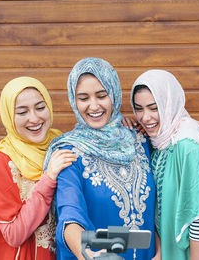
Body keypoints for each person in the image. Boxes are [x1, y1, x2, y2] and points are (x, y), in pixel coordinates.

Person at [43, 57, 159, 260]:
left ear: (113, 94)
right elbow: (69, 215)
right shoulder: (69, 152)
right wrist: (89, 253)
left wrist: (158, 250)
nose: (93, 106)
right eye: (83, 98)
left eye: (101, 95)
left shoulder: (140, 141)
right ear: (73, 100)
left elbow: (154, 213)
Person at [130, 70, 199, 260]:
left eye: (154, 108)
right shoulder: (158, 143)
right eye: (139, 109)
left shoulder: (189, 146)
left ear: (169, 104)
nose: (145, 117)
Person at [0, 76, 77, 260]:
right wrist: (48, 180)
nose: (34, 118)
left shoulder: (61, 144)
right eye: (22, 112)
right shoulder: (1, 163)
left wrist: (128, 127)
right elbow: (13, 235)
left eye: (40, 107)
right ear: (8, 116)